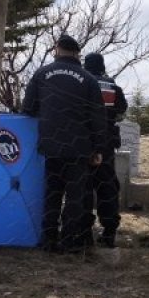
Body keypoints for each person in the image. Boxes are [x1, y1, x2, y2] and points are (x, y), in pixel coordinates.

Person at [22, 34, 106, 253]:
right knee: (75, 197)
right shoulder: (88, 79)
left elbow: (28, 108)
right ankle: (70, 241)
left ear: (56, 49)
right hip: (79, 148)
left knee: (52, 193)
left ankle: (48, 240)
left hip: (51, 146)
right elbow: (98, 116)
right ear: (77, 53)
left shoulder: (41, 74)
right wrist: (98, 148)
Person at [82, 52, 128, 248]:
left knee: (83, 187)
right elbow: (121, 111)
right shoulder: (111, 85)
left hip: (82, 142)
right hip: (106, 143)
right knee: (107, 187)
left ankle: (84, 231)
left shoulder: (81, 81)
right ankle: (109, 231)